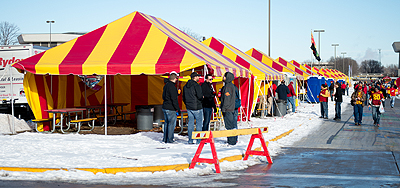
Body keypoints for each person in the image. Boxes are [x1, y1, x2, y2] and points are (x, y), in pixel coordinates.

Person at [183, 72, 203, 144]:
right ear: (195, 77)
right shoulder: (196, 86)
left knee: (190, 123)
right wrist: (202, 98)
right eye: (198, 76)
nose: (198, 78)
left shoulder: (185, 86)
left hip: (189, 107)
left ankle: (190, 140)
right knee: (199, 123)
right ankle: (198, 140)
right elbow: (200, 96)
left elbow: (184, 97)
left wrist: (187, 104)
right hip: (197, 106)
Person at [220, 72, 239, 145]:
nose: (223, 78)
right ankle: (233, 140)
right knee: (232, 125)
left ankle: (231, 141)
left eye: (224, 76)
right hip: (232, 108)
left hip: (228, 109)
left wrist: (224, 109)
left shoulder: (227, 87)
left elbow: (227, 99)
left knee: (229, 126)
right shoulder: (232, 86)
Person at [162, 71, 180, 143]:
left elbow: (164, 96)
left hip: (165, 106)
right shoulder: (172, 87)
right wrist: (177, 109)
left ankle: (165, 138)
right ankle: (170, 139)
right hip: (170, 108)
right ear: (175, 78)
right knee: (171, 124)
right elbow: (174, 99)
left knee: (166, 123)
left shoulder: (166, 85)